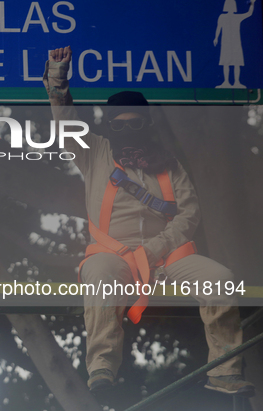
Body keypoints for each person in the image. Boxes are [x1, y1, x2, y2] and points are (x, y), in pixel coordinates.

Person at [43, 46, 255, 397]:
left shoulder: (169, 164)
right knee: (98, 275)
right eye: (119, 125)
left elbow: (189, 213)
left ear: (147, 125)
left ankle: (225, 370)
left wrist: (158, 248)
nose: (128, 130)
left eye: (136, 123)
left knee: (221, 278)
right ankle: (102, 368)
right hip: (114, 255)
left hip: (169, 256)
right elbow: (64, 122)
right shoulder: (94, 152)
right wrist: (58, 78)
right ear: (109, 127)